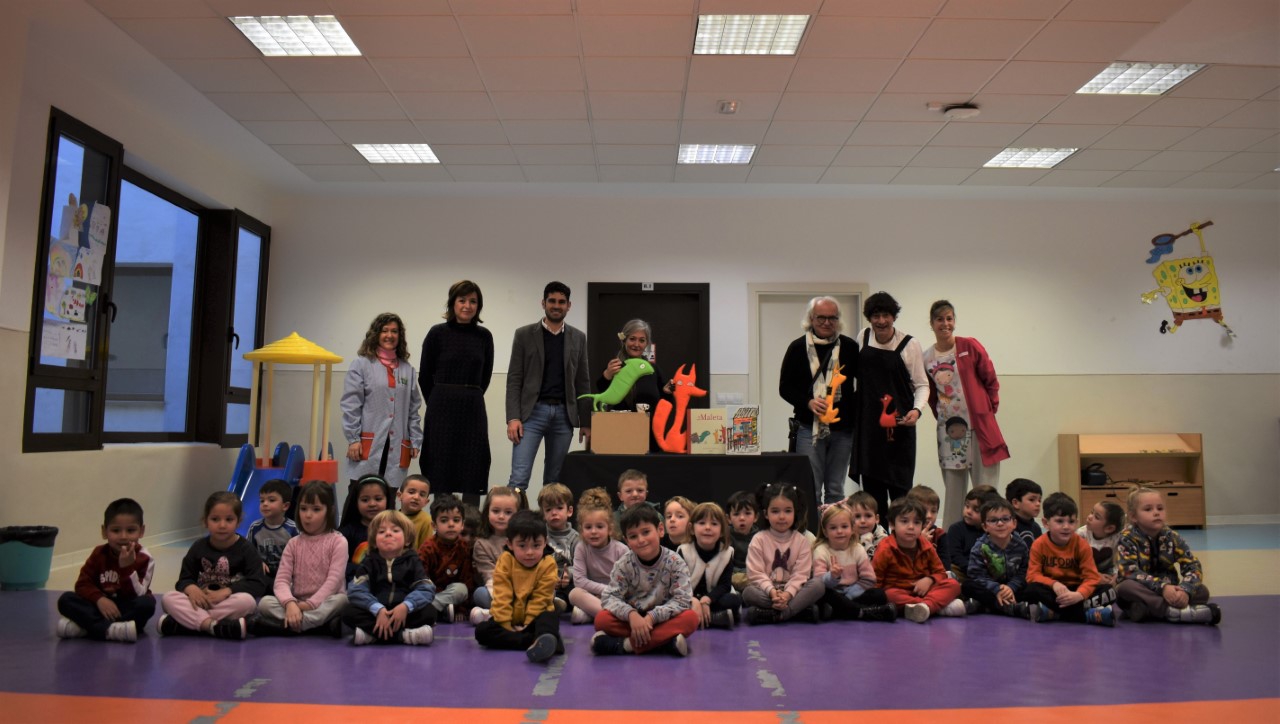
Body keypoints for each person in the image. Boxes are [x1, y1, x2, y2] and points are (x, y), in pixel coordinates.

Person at [923, 300, 1010, 527]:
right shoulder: (927, 358)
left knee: (986, 492)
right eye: (939, 319)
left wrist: (987, 411)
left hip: (980, 429)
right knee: (954, 492)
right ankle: (952, 540)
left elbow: (990, 379)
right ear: (931, 323)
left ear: (954, 321)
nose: (945, 324)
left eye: (949, 318)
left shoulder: (969, 346)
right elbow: (930, 395)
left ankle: (991, 535)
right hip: (950, 434)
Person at [505, 281, 591, 490]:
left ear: (568, 305)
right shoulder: (524, 335)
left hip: (564, 416)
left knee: (555, 482)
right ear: (543, 303)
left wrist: (586, 421)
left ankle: (550, 514)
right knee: (519, 479)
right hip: (531, 415)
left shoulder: (578, 338)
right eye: (552, 301)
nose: (556, 306)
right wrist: (513, 417)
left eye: (561, 302)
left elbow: (583, 382)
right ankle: (514, 513)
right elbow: (514, 379)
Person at [852, 292, 929, 517]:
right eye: (876, 316)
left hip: (899, 428)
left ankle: (901, 535)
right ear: (869, 318)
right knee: (872, 496)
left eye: (886, 315)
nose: (881, 321)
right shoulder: (863, 336)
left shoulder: (910, 344)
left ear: (894, 317)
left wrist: (916, 411)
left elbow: (922, 385)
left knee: (900, 494)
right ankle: (876, 536)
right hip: (869, 430)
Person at [419, 280, 494, 504]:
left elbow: (485, 377)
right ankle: (443, 518)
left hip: (472, 408)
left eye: (473, 301)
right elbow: (425, 376)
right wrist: (438, 401)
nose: (467, 306)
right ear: (453, 303)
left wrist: (467, 396)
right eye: (462, 300)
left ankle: (471, 521)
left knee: (474, 464)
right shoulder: (437, 333)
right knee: (440, 466)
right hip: (441, 409)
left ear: (478, 306)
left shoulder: (484, 336)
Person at [779, 296, 858, 506]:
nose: (826, 322)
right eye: (821, 317)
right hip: (808, 428)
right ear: (811, 319)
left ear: (838, 320)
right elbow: (785, 388)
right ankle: (813, 528)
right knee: (810, 489)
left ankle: (834, 527)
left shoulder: (850, 347)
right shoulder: (797, 347)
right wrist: (808, 402)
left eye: (832, 318)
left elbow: (863, 385)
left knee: (836, 489)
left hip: (843, 430)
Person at [158, 492, 267, 640]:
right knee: (168, 598)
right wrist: (191, 588)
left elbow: (257, 583)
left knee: (248, 602)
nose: (222, 525)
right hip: (199, 602)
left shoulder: (246, 549)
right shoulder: (198, 547)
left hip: (226, 602)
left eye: (229, 519)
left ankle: (185, 624)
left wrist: (228, 591)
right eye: (215, 519)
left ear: (238, 522)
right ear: (206, 521)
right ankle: (214, 626)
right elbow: (184, 580)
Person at [592, 505, 698, 656]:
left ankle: (626, 645)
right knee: (602, 620)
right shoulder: (623, 564)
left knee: (690, 618)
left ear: (660, 530)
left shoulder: (676, 562)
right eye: (633, 536)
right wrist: (631, 615)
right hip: (632, 621)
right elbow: (610, 597)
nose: (641, 540)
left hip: (663, 619)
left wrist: (652, 617)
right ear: (626, 541)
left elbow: (682, 599)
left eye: (646, 532)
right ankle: (665, 642)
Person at [341, 312, 423, 490]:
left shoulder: (407, 370)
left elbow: (413, 410)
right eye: (384, 330)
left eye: (394, 331)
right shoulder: (362, 365)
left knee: (390, 497)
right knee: (360, 495)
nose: (389, 335)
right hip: (368, 444)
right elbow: (351, 405)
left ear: (400, 336)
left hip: (397, 445)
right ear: (376, 334)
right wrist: (353, 439)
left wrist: (415, 439)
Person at [55, 498, 155, 643]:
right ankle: (110, 630)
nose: (123, 536)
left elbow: (138, 594)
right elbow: (82, 584)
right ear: (104, 531)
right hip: (101, 607)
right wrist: (99, 599)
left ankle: (88, 628)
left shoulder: (145, 558)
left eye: (131, 530)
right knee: (66, 600)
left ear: (141, 531)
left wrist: (126, 568)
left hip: (126, 607)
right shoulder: (98, 554)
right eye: (116, 530)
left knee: (146, 604)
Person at [1116, 487, 1220, 625]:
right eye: (1148, 509)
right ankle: (1174, 611)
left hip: (1171, 590)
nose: (1156, 513)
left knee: (1202, 591)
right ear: (1133, 517)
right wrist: (1162, 587)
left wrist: (1185, 590)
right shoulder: (1126, 538)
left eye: (1160, 508)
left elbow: (1193, 566)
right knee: (1124, 588)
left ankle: (1150, 610)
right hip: (1144, 589)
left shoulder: (1172, 537)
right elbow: (1129, 572)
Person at [255, 481, 348, 636]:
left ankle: (286, 626)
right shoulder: (293, 543)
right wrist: (290, 604)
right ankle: (317, 626)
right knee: (264, 604)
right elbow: (281, 580)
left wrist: (309, 605)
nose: (308, 515)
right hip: (296, 602)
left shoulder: (338, 541)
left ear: (329, 511)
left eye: (316, 509)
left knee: (342, 601)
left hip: (324, 601)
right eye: (303, 509)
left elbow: (334, 581)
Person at [474, 510, 564, 663]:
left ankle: (541, 639)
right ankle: (537, 642)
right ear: (509, 544)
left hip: (534, 620)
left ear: (545, 543)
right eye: (522, 546)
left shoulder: (548, 563)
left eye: (536, 545)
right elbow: (502, 595)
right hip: (509, 619)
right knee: (482, 631)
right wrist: (506, 625)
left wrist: (527, 624)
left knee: (549, 616)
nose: (529, 552)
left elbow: (541, 599)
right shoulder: (505, 560)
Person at [342, 510, 436, 645]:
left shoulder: (413, 561)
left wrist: (406, 606)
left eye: (395, 530)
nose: (388, 533)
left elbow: (426, 588)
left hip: (403, 612)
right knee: (348, 612)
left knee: (430, 612)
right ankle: (403, 636)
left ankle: (373, 636)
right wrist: (377, 609)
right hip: (376, 611)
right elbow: (355, 590)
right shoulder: (369, 562)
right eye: (381, 532)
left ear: (407, 540)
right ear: (374, 542)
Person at [1024, 493, 1114, 626]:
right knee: (1031, 590)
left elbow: (1092, 577)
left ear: (1077, 522)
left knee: (1110, 592)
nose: (1066, 526)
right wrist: (1054, 584)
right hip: (1053, 591)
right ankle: (1087, 615)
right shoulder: (1039, 544)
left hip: (1076, 589)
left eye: (1071, 522)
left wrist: (1079, 595)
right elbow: (1032, 576)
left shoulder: (1082, 545)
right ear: (1046, 523)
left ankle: (1054, 612)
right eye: (1060, 521)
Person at [872, 496, 963, 623]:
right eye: (904, 521)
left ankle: (925, 607)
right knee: (889, 595)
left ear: (922, 525)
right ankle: (935, 607)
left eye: (916, 522)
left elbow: (941, 573)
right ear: (892, 524)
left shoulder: (926, 546)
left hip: (925, 591)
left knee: (953, 584)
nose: (911, 527)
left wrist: (929, 579)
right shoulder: (885, 548)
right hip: (898, 593)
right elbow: (876, 581)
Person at [743, 483, 824, 625]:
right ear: (766, 514)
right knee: (748, 593)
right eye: (775, 511)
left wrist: (787, 594)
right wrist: (772, 592)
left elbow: (801, 574)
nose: (782, 516)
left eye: (787, 511)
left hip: (794, 592)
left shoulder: (802, 541)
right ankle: (798, 611)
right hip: (767, 592)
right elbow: (756, 573)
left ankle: (777, 615)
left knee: (818, 585)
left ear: (795, 513)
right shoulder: (758, 539)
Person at [811, 504, 894, 622]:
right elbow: (818, 583)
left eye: (844, 526)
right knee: (826, 595)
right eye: (833, 528)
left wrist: (849, 596)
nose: (839, 531)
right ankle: (863, 612)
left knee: (880, 595)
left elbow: (869, 579)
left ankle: (840, 610)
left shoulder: (857, 549)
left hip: (853, 593)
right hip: (832, 593)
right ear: (825, 531)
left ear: (852, 529)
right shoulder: (821, 550)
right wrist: (832, 576)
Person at [963, 497, 1034, 618]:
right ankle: (1010, 608)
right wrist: (997, 589)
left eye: (1005, 519)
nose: (1000, 523)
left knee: (1033, 589)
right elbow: (976, 575)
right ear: (985, 526)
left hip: (1013, 588)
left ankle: (985, 606)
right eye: (993, 520)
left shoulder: (1020, 545)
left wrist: (1011, 587)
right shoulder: (979, 547)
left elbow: (1024, 571)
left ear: (1014, 523)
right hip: (990, 589)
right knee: (968, 586)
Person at [568, 488, 629, 625]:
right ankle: (611, 616)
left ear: (610, 528)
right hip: (593, 596)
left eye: (600, 527)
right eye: (588, 527)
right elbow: (579, 581)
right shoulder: (581, 548)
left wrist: (609, 592)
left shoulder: (621, 550)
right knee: (574, 593)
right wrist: (604, 590)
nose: (594, 532)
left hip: (617, 596)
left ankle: (592, 615)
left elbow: (626, 583)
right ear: (581, 529)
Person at [678, 502, 741, 629]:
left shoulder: (727, 553)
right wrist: (694, 601)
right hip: (690, 597)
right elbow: (680, 584)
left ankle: (700, 619)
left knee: (734, 600)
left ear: (722, 530)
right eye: (702, 523)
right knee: (674, 603)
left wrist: (707, 599)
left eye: (714, 524)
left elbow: (725, 585)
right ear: (691, 528)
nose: (708, 527)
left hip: (714, 598)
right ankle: (714, 618)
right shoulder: (683, 551)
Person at [470, 486, 525, 620]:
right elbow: (490, 576)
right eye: (495, 511)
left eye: (508, 512)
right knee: (480, 594)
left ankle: (496, 614)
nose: (501, 516)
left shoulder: (525, 539)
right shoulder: (482, 544)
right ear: (487, 512)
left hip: (524, 586)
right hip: (497, 589)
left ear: (518, 514)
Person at [417, 496, 474, 624]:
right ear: (434, 525)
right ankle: (437, 610)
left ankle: (432, 610)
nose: (451, 524)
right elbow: (422, 579)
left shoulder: (464, 547)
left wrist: (461, 609)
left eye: (456, 520)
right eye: (444, 520)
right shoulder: (427, 548)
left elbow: (467, 579)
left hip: (452, 595)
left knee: (461, 589)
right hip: (431, 592)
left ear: (462, 524)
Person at [337, 474, 390, 581]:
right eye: (365, 500)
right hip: (354, 583)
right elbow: (338, 565)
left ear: (387, 500)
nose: (372, 504)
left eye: (378, 499)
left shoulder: (396, 531)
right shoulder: (346, 533)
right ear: (356, 502)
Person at [246, 478, 298, 583]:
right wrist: (257, 563)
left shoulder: (293, 528)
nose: (265, 504)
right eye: (262, 500)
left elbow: (300, 557)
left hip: (287, 575)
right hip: (263, 574)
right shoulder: (255, 527)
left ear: (285, 506)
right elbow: (248, 552)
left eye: (271, 500)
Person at [538, 483, 579, 611]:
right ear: (543, 514)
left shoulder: (576, 539)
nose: (554, 513)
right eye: (548, 510)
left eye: (559, 508)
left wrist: (568, 575)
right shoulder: (539, 535)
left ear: (569, 511)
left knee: (575, 589)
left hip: (565, 582)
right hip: (544, 580)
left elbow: (581, 566)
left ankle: (560, 602)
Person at [945, 485, 1000, 580]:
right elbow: (954, 556)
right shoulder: (956, 529)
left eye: (976, 510)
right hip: (962, 571)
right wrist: (972, 569)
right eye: (967, 506)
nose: (969, 511)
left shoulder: (993, 532)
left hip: (985, 574)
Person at [1078, 500, 1125, 586]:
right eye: (1091, 512)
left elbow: (1119, 561)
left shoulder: (1117, 538)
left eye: (1096, 517)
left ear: (1109, 528)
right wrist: (1095, 575)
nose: (1089, 517)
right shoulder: (1081, 534)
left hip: (1108, 571)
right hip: (1085, 570)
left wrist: (1116, 576)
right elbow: (1076, 562)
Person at [726, 490, 759, 593]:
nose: (742, 518)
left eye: (747, 513)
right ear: (729, 518)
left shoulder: (761, 537)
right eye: (736, 514)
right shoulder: (725, 535)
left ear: (756, 517)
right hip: (731, 575)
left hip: (752, 575)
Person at [846, 490, 888, 559]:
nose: (863, 521)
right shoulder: (848, 531)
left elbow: (879, 561)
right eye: (857, 516)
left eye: (868, 516)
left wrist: (867, 544)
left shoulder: (881, 536)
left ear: (876, 519)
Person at [398, 474, 434, 550]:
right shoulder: (391, 517)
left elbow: (426, 550)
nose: (416, 497)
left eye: (422, 495)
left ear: (426, 502)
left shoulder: (426, 520)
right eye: (411, 492)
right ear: (399, 496)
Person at [1006, 478, 1043, 549]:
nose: (1038, 504)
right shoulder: (1007, 526)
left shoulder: (1036, 528)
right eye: (1032, 500)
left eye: (1039, 500)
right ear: (1016, 503)